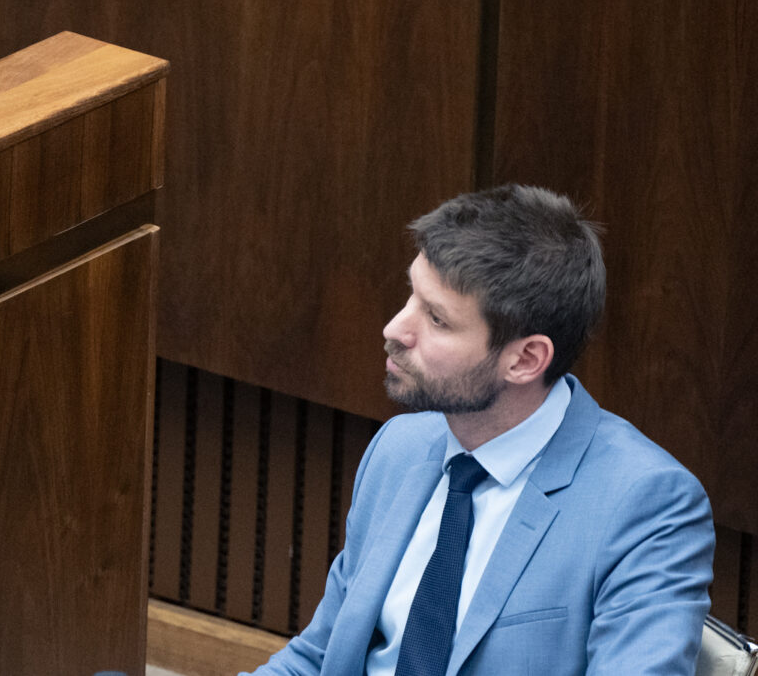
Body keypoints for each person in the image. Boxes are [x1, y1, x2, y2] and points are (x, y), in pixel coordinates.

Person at [244, 184, 713, 676]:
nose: (395, 329)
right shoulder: (399, 449)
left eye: (437, 319)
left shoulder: (646, 505)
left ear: (525, 359)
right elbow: (319, 657)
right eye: (412, 295)